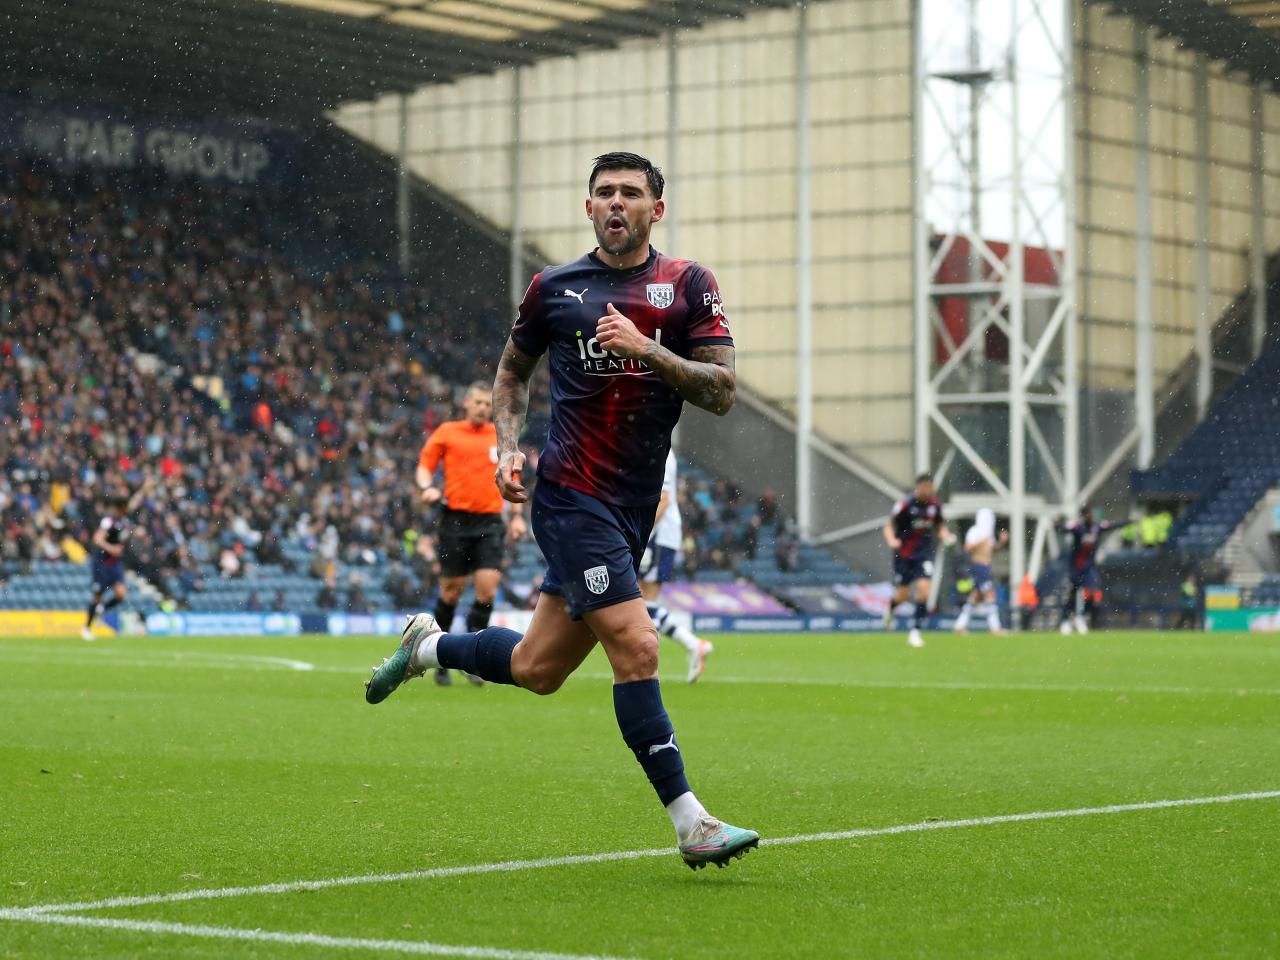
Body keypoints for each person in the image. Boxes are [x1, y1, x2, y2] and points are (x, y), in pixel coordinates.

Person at [365, 151, 758, 870]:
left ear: (655, 211)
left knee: (538, 667)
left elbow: (722, 389)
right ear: (588, 209)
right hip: (571, 497)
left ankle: (425, 646)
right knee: (638, 647)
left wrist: (648, 350)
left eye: (631, 193)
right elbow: (512, 372)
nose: (616, 203)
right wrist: (507, 447)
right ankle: (691, 823)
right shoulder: (555, 288)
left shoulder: (687, 285)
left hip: (631, 508)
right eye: (603, 192)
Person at [416, 381, 528, 686]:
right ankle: (438, 656)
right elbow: (425, 466)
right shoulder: (448, 432)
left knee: (487, 591)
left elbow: (512, 477)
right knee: (451, 591)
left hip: (491, 521)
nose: (482, 408)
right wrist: (426, 487)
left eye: (486, 404)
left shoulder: (500, 437)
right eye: (477, 402)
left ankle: (472, 660)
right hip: (455, 521)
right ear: (466, 402)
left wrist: (516, 518)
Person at [640, 450, 712, 682]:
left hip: (658, 536)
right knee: (643, 602)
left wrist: (641, 535)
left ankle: (646, 668)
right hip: (660, 536)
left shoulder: (660, 449)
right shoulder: (652, 443)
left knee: (642, 602)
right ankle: (693, 645)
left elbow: (663, 498)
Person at [882, 472, 954, 648]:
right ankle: (890, 610)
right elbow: (889, 525)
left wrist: (946, 535)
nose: (928, 490)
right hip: (904, 555)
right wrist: (891, 539)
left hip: (924, 554)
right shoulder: (905, 504)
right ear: (918, 487)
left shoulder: (934, 505)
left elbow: (939, 526)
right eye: (926, 486)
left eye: (931, 487)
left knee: (924, 591)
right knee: (903, 595)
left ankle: (915, 632)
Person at [83, 477, 153, 641]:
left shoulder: (124, 519)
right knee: (97, 596)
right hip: (102, 563)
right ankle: (86, 628)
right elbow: (98, 539)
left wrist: (144, 489)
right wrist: (112, 548)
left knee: (121, 594)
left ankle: (101, 611)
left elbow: (135, 501)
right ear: (120, 507)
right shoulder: (110, 520)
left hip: (114, 564)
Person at [1059, 505, 1117, 635]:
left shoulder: (1097, 528)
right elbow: (1064, 529)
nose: (1091, 517)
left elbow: (1112, 526)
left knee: (1093, 590)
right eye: (1088, 515)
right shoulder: (1078, 528)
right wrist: (1059, 524)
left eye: (1091, 514)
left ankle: (1080, 617)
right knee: (1073, 594)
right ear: (1084, 516)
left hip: (1089, 566)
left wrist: (1130, 521)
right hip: (1076, 566)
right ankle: (1065, 620)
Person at [953, 508, 1008, 634]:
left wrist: (1001, 542)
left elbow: (992, 550)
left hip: (986, 566)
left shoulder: (988, 533)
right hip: (978, 567)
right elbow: (967, 548)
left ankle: (959, 625)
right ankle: (995, 627)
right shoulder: (975, 531)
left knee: (975, 597)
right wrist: (982, 541)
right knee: (990, 595)